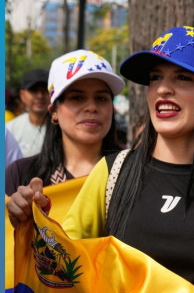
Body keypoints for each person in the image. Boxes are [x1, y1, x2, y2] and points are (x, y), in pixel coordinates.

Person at [7, 26, 194, 293]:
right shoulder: (111, 172)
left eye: (182, 77)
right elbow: (65, 269)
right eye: (155, 78)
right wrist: (34, 225)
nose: (163, 88)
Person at [5, 50, 124, 196]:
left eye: (101, 98)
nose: (92, 108)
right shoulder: (21, 175)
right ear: (54, 111)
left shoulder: (134, 172)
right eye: (77, 98)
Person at [6, 69, 50, 157]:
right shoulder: (10, 130)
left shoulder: (65, 128)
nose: (40, 95)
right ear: (22, 95)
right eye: (33, 90)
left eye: (45, 89)